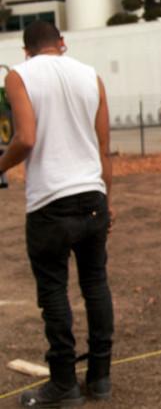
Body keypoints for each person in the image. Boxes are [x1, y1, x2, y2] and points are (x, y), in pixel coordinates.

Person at [0, 21, 115, 407]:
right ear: (62, 43)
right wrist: (107, 200)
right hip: (92, 194)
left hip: (50, 201)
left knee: (54, 293)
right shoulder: (91, 76)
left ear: (26, 49)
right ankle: (100, 378)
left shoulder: (19, 76)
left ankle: (64, 384)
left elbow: (26, 138)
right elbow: (103, 147)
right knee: (95, 285)